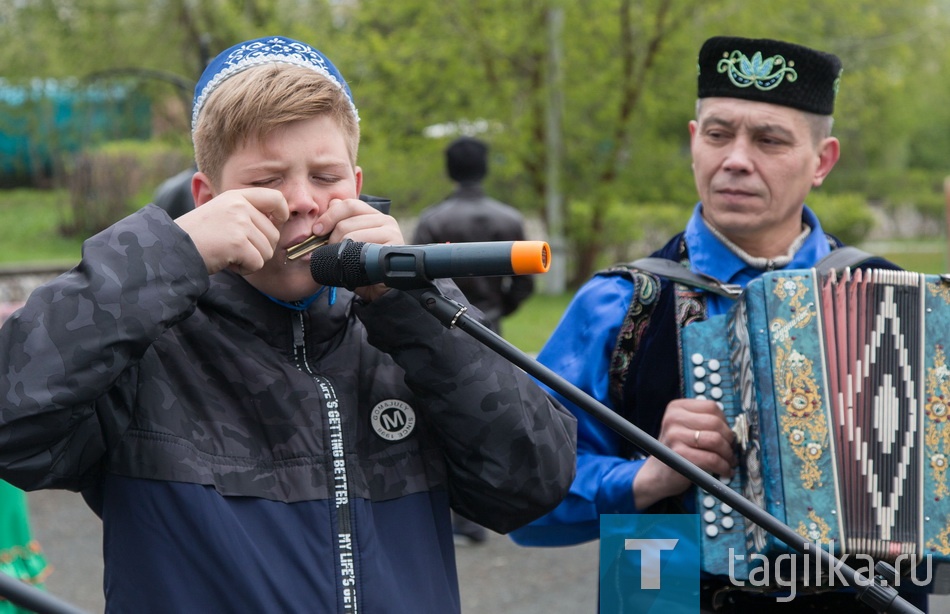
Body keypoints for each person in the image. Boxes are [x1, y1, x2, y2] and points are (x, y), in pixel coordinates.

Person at [0, 36, 577, 612]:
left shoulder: (405, 330)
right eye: (267, 179)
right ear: (207, 198)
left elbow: (530, 483)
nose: (301, 200)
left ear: (356, 185)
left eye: (325, 176)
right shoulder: (148, 346)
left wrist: (415, 310)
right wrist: (165, 255)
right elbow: (13, 424)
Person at [510, 36, 930, 613]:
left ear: (822, 161)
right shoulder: (620, 301)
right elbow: (522, 497)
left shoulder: (897, 301)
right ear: (693, 142)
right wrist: (643, 478)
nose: (735, 158)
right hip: (666, 597)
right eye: (717, 133)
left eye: (769, 139)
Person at [413, 136, 534, 335]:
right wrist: (499, 308)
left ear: (450, 169)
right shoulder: (509, 219)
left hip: (444, 324)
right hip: (493, 326)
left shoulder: (432, 219)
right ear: (484, 167)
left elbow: (417, 277)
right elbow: (524, 282)